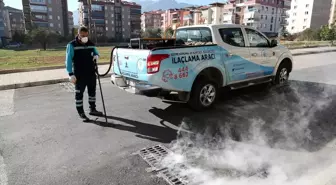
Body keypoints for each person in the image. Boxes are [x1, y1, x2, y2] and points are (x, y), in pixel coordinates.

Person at [65, 26, 103, 122]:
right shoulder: (72, 45)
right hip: (79, 74)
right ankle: (81, 112)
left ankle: (92, 109)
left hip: (91, 72)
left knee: (92, 92)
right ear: (78, 35)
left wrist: (96, 55)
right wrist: (70, 74)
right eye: (82, 35)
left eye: (86, 35)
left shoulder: (90, 43)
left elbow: (95, 51)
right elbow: (68, 60)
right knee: (79, 94)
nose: (85, 37)